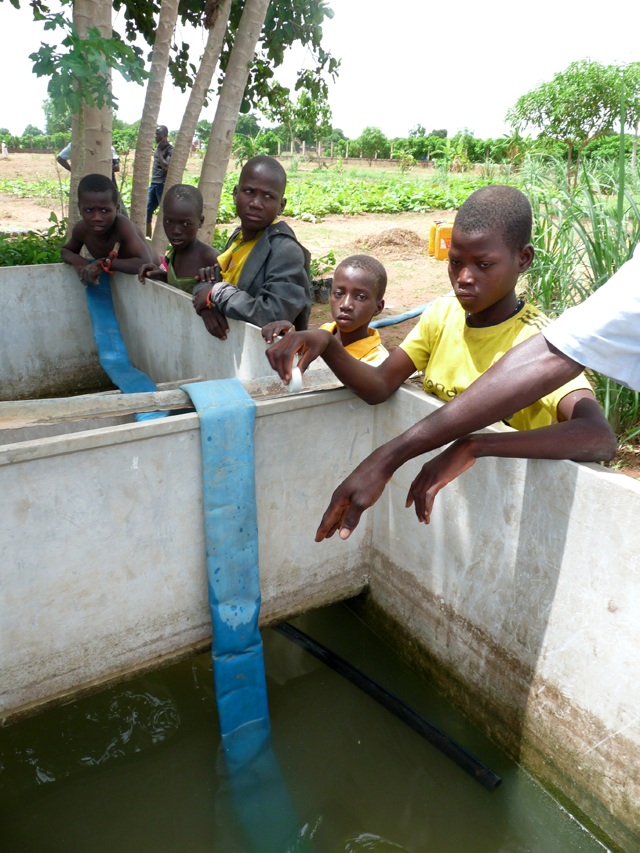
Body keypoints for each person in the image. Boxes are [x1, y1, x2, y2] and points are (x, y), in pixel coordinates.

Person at [266, 185, 618, 539]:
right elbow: (379, 386)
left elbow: (598, 436)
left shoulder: (541, 344)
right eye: (455, 262)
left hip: (508, 523)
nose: (464, 277)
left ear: (523, 259)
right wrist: (327, 342)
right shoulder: (442, 313)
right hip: (444, 519)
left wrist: (475, 444)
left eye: (483, 265)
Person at [192, 155, 312, 341]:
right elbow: (206, 287)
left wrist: (217, 293)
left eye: (268, 196)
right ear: (235, 194)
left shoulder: (284, 250)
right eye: (249, 191)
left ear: (281, 206)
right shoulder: (237, 239)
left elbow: (273, 314)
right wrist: (207, 305)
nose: (256, 203)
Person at [262, 254, 389, 366]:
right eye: (339, 293)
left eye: (360, 297)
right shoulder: (324, 331)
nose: (345, 305)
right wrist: (289, 337)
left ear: (378, 308)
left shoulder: (378, 361)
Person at [61, 173, 154, 285]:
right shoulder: (82, 229)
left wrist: (103, 263)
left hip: (156, 276)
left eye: (105, 210)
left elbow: (145, 263)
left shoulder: (123, 226)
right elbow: (66, 251)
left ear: (117, 209)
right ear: (80, 209)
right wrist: (79, 262)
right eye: (89, 210)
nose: (97, 218)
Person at [138, 184, 219, 294]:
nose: (176, 231)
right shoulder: (173, 256)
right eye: (169, 221)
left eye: (185, 224)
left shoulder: (211, 259)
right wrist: (164, 277)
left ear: (200, 221)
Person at [147, 125, 173, 237]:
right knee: (147, 210)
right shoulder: (159, 148)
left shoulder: (170, 150)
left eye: (158, 134)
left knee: (164, 212)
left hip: (161, 184)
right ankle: (148, 237)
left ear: (165, 136)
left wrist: (159, 151)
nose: (155, 136)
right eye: (155, 133)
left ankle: (164, 237)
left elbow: (166, 166)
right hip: (154, 183)